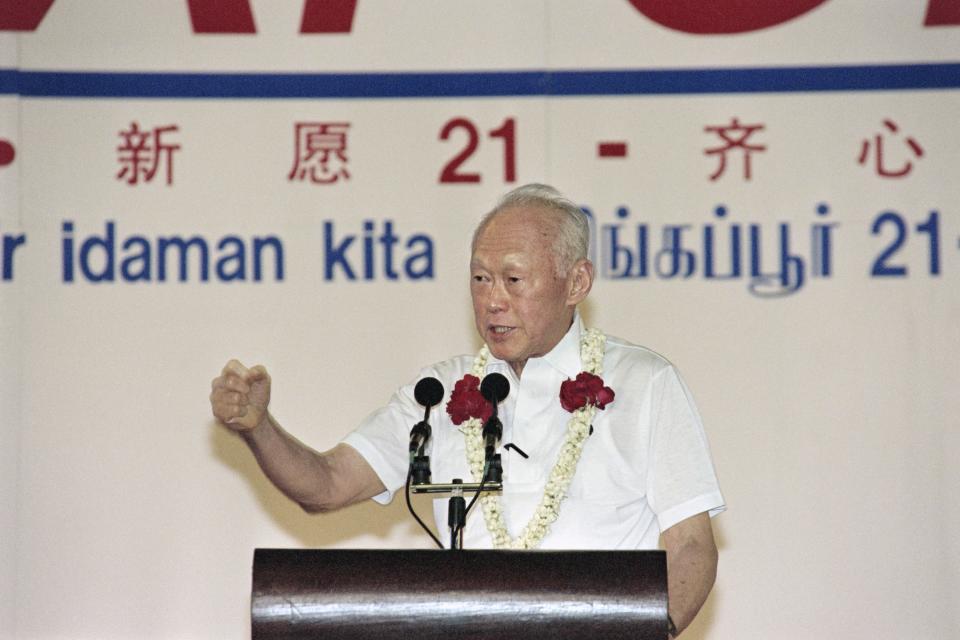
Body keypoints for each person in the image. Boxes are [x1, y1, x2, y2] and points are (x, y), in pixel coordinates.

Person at [210, 183, 724, 637]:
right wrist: (260, 429)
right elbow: (325, 485)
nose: (493, 300)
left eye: (513, 280)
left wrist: (645, 634)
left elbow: (692, 547)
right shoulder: (437, 392)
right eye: (480, 279)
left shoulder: (643, 382)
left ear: (576, 283)